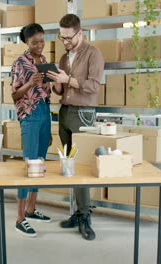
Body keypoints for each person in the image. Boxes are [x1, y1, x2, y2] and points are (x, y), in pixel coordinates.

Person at [47, 14, 105, 241]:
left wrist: (67, 79)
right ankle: (78, 213)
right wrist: (55, 82)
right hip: (65, 112)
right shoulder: (63, 57)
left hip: (84, 114)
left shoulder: (93, 54)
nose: (65, 42)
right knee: (68, 165)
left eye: (68, 38)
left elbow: (93, 87)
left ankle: (85, 216)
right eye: (62, 38)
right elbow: (60, 91)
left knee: (80, 166)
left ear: (80, 33)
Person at [10, 23, 52, 237]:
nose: (39, 45)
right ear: (26, 42)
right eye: (35, 42)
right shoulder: (20, 63)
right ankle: (20, 218)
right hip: (29, 115)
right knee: (29, 165)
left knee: (40, 163)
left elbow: (47, 92)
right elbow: (15, 95)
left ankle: (31, 209)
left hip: (45, 113)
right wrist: (30, 84)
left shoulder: (44, 61)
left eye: (42, 41)